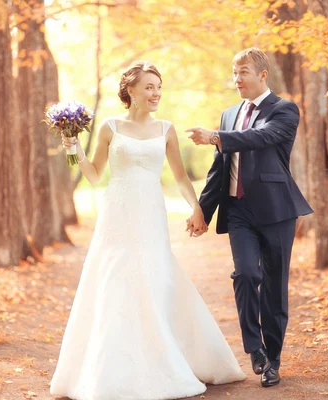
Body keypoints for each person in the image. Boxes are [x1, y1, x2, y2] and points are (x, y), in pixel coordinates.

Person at [50, 61, 245, 400]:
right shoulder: (110, 127)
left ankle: (163, 356)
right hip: (117, 213)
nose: (156, 94)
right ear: (131, 92)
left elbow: (182, 177)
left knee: (154, 278)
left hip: (150, 211)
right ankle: (110, 367)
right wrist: (72, 147)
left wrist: (196, 207)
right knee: (113, 279)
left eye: (158, 87)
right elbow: (94, 175)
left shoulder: (166, 129)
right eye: (149, 87)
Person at [186, 47, 313, 388]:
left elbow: (262, 137)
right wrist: (203, 210)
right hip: (238, 209)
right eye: (233, 72)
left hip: (276, 211)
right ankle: (254, 347)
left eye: (242, 71)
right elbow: (220, 169)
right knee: (245, 273)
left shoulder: (284, 110)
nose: (236, 78)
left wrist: (215, 137)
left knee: (274, 288)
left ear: (262, 75)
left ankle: (273, 359)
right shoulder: (228, 114)